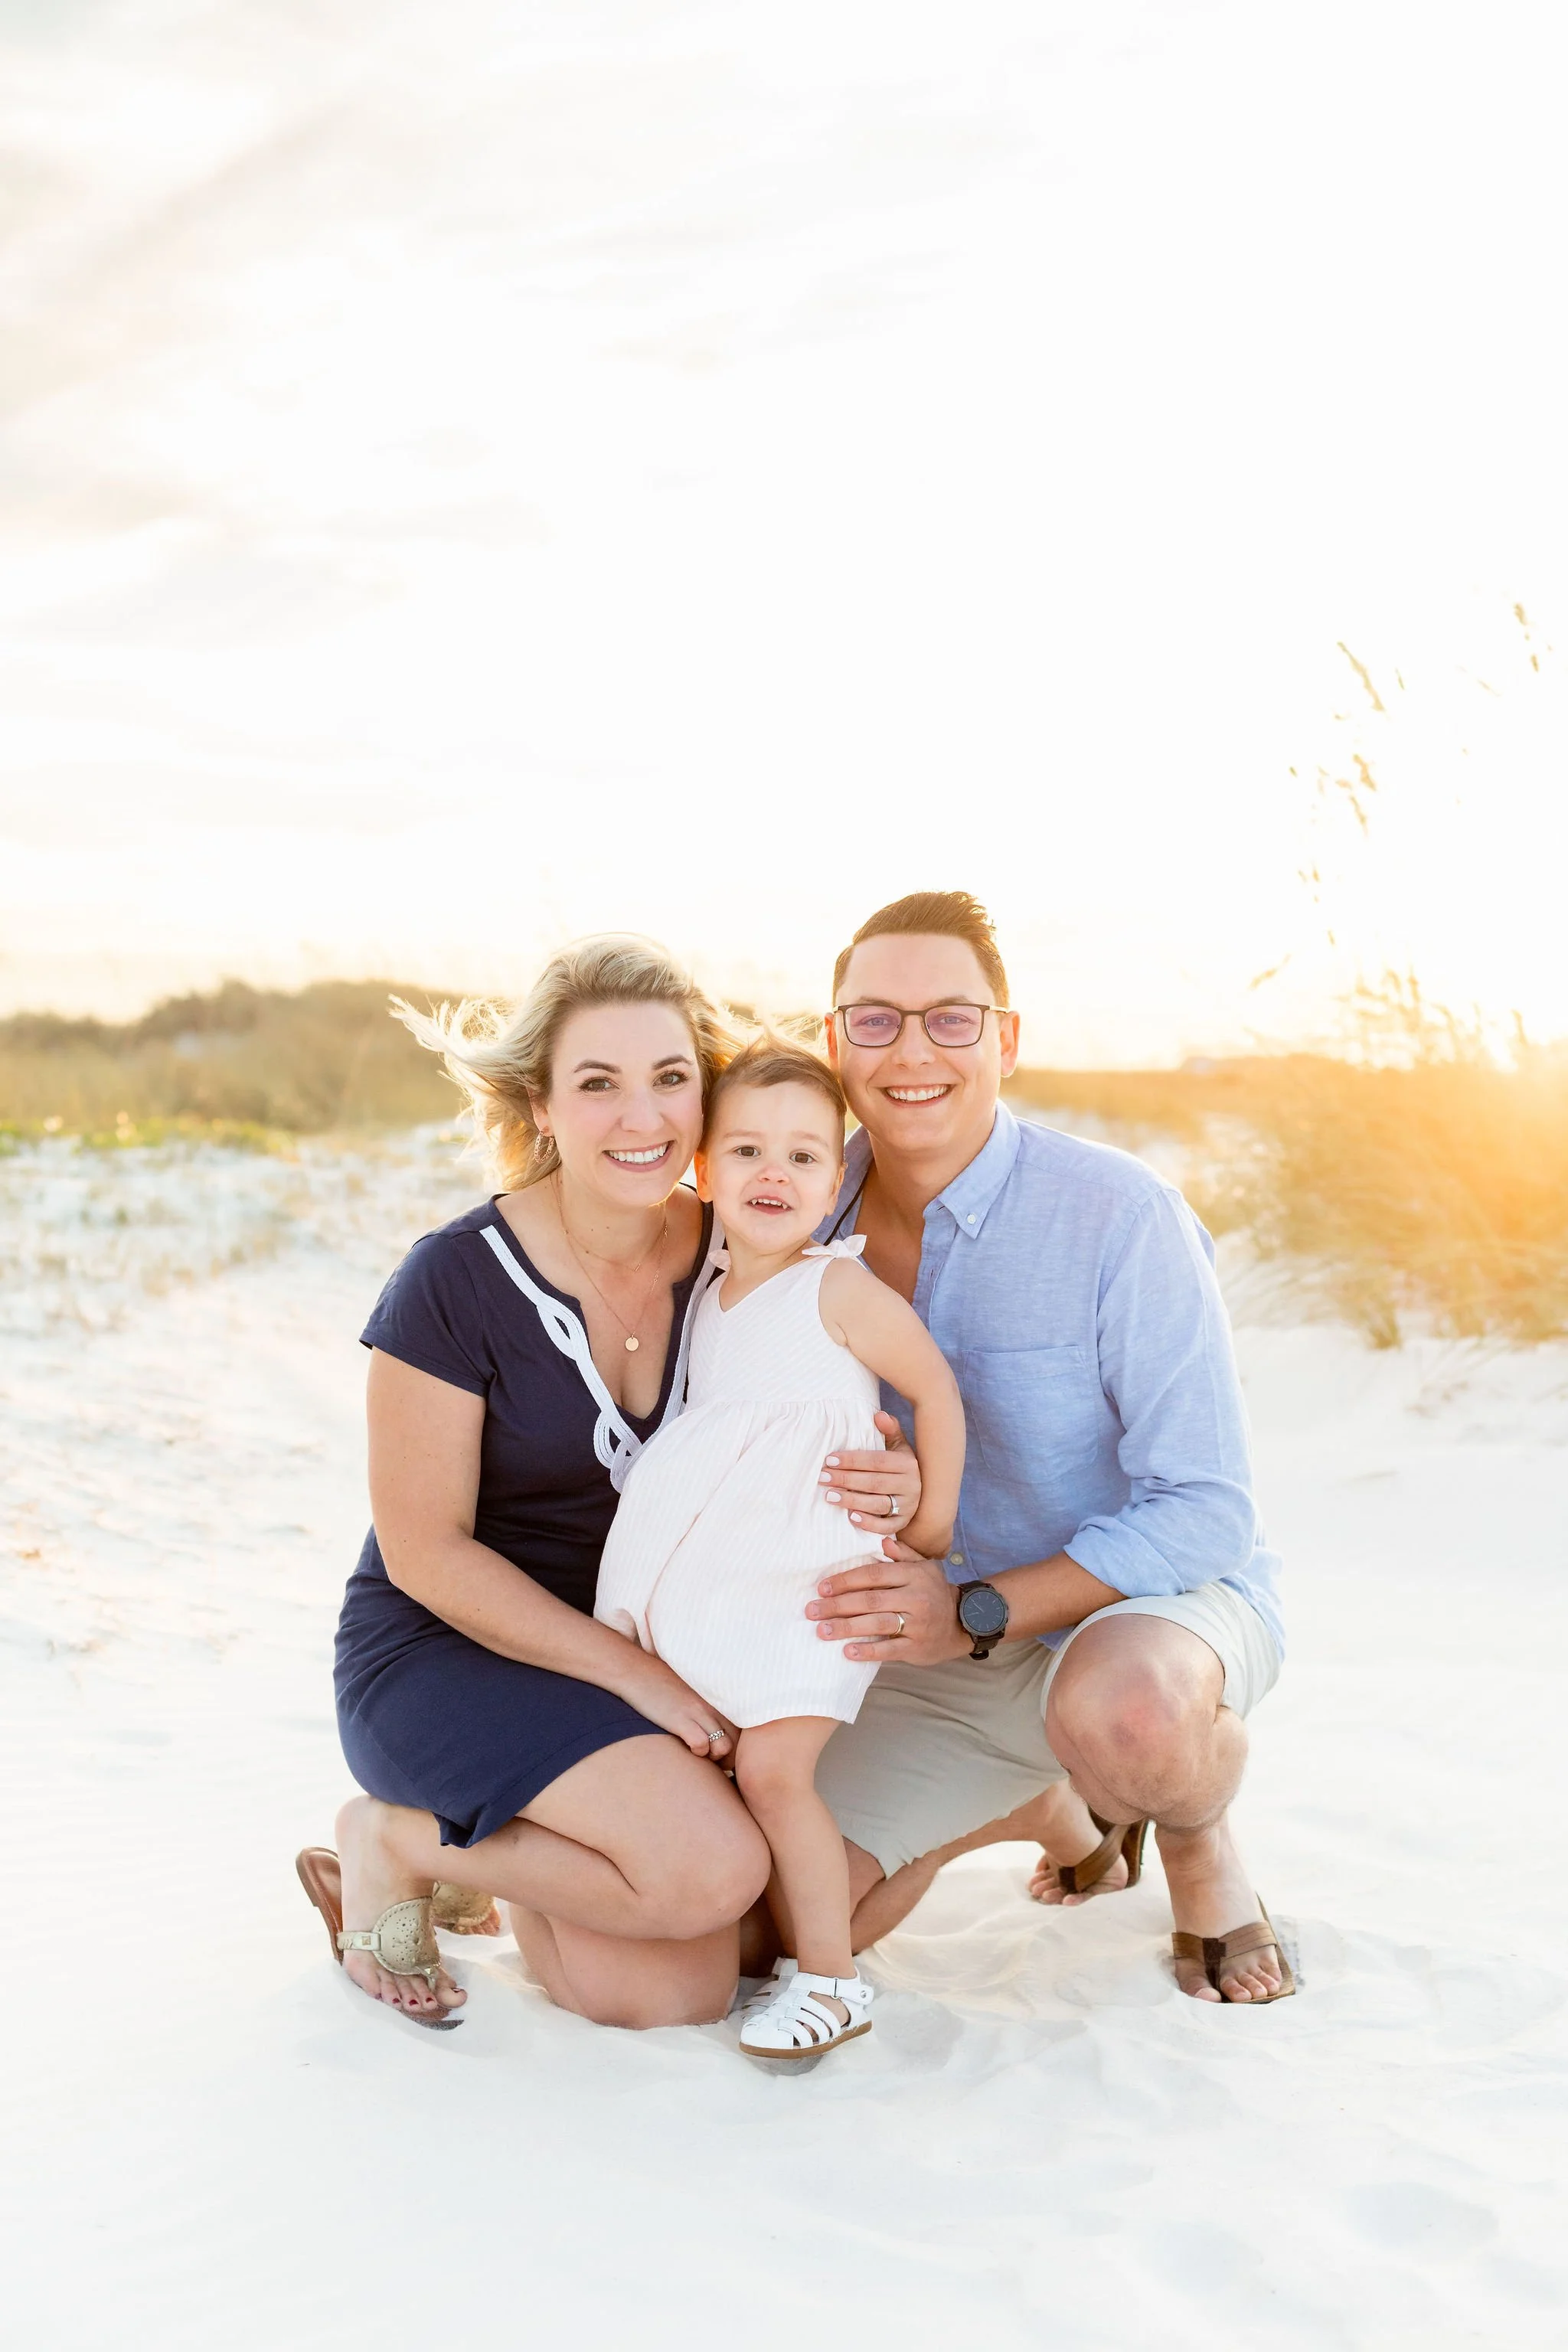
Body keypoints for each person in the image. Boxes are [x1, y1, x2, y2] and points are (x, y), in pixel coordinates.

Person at [295, 936, 924, 2030]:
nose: (643, 1117)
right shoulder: (453, 1280)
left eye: (671, 1078)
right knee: (710, 1875)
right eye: (598, 1084)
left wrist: (892, 1475)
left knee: (672, 1990)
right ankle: (390, 1838)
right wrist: (637, 1680)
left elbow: (826, 1393)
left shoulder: (741, 1249)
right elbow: (425, 1554)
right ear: (540, 1105)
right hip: (450, 1652)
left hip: (650, 1645)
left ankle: (485, 1851)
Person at [771, 890, 1294, 2006]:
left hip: (1139, 1615)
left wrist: (974, 1609)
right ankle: (1037, 1806)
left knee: (1132, 1721)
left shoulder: (1120, 1214)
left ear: (1005, 1040)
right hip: (933, 1648)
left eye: (951, 1019)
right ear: (835, 1039)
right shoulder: (792, 1213)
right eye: (875, 1019)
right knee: (768, 1932)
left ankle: (1195, 1839)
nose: (913, 1051)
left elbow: (1206, 1507)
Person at [594, 1038, 965, 2059]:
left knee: (774, 1771)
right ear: (703, 1169)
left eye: (804, 1156)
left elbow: (934, 1388)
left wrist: (929, 1528)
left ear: (835, 1180)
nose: (775, 1173)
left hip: (812, 1581)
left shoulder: (833, 1288)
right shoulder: (708, 1296)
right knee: (714, 1758)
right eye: (748, 1150)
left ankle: (832, 1979)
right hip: (727, 1584)